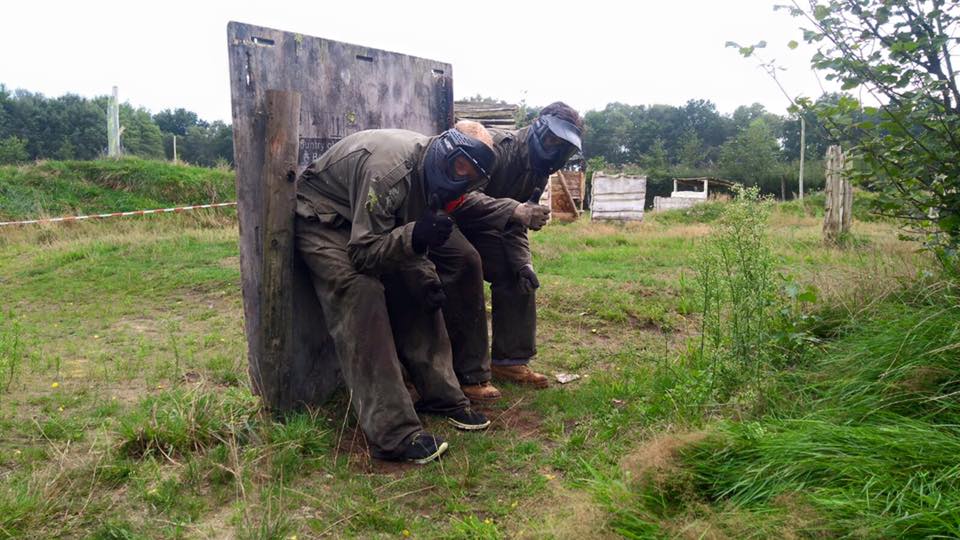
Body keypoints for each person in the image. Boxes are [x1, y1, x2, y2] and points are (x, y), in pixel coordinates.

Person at [294, 122, 496, 464]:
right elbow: (364, 253)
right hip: (323, 219)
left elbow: (400, 231)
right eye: (461, 165)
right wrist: (416, 238)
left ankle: (442, 396)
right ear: (449, 148)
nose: (463, 176)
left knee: (421, 289)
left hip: (368, 226)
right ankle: (394, 433)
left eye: (471, 173)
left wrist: (424, 274)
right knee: (362, 291)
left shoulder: (434, 174)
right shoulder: (390, 170)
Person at [432, 103, 583, 400]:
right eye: (553, 141)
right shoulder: (498, 147)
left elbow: (515, 226)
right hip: (443, 221)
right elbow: (458, 196)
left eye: (563, 147)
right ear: (540, 126)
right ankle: (469, 373)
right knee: (468, 264)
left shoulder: (538, 171)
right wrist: (514, 209)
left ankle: (510, 361)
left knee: (518, 275)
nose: (555, 151)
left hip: (481, 226)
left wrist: (523, 262)